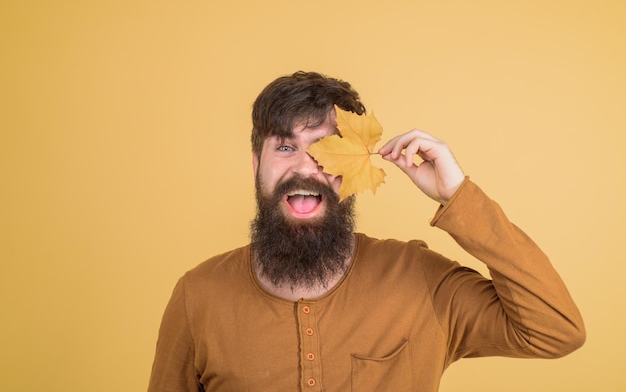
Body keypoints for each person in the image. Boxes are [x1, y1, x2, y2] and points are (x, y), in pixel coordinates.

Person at [147, 71, 585, 392]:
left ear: (357, 164)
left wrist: (457, 195)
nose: (305, 166)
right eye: (284, 147)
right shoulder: (197, 296)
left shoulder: (420, 280)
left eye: (326, 148)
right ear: (256, 166)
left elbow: (555, 329)